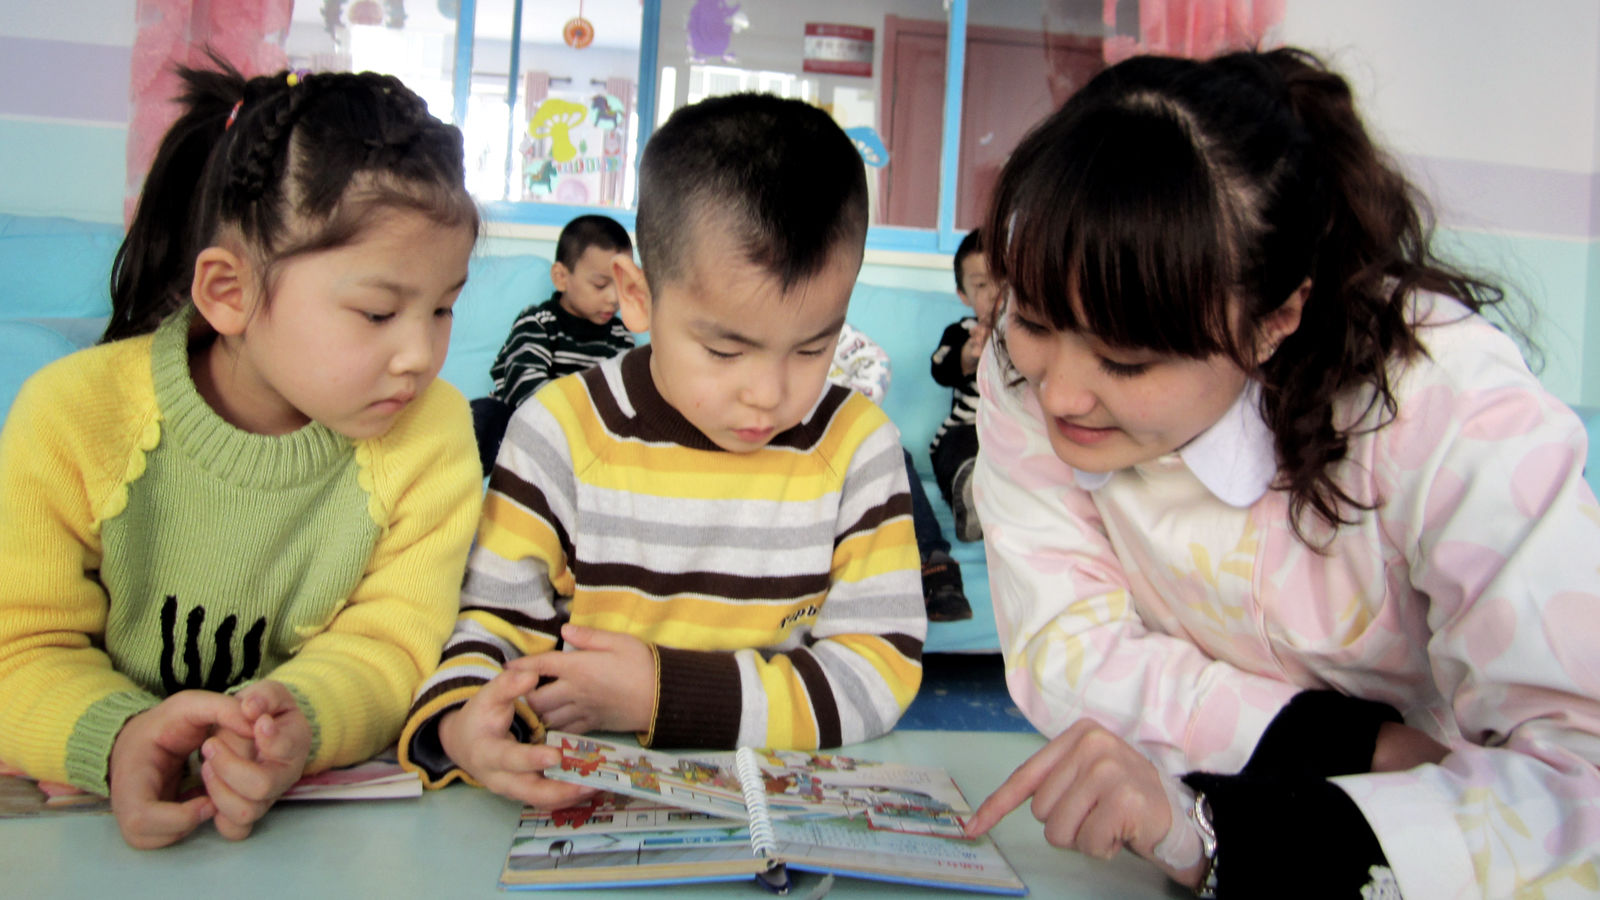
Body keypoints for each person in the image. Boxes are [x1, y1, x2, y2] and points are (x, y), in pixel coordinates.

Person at [961, 47, 1600, 899]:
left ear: (1275, 319)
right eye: (1034, 319)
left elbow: (1577, 785)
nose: (1062, 391)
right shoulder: (1022, 375)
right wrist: (1351, 749)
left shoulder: (1444, 408)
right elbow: (1068, 646)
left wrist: (1212, 831)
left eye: (1128, 359)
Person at [0, 60, 483, 849]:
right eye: (377, 312)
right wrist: (123, 739)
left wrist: (301, 721)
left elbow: (391, 643)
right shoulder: (70, 417)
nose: (420, 355)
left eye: (443, 308)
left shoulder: (431, 436)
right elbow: (18, 650)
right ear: (228, 293)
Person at [398, 92, 927, 807]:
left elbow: (878, 671)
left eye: (813, 347)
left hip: (777, 805)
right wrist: (466, 723)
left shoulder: (859, 446)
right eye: (724, 348)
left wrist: (661, 693)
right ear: (638, 298)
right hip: (568, 797)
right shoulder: (561, 430)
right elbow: (494, 626)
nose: (768, 395)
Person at [829, 322, 972, 622]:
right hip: (803, 456)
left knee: (896, 461)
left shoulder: (827, 327)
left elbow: (876, 362)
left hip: (859, 437)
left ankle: (934, 560)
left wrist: (848, 413)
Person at [471, 215, 636, 472]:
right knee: (484, 414)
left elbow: (622, 393)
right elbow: (523, 384)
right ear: (561, 277)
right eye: (601, 285)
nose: (614, 298)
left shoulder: (620, 335)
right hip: (522, 421)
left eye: (622, 285)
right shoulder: (538, 321)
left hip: (584, 433)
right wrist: (568, 420)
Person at [930, 228, 1000, 542]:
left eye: (1003, 279)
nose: (995, 292)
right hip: (967, 427)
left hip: (1011, 431)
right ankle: (968, 502)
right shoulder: (960, 332)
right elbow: (940, 369)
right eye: (982, 285)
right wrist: (968, 358)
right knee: (950, 449)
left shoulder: (1029, 333)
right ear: (963, 294)